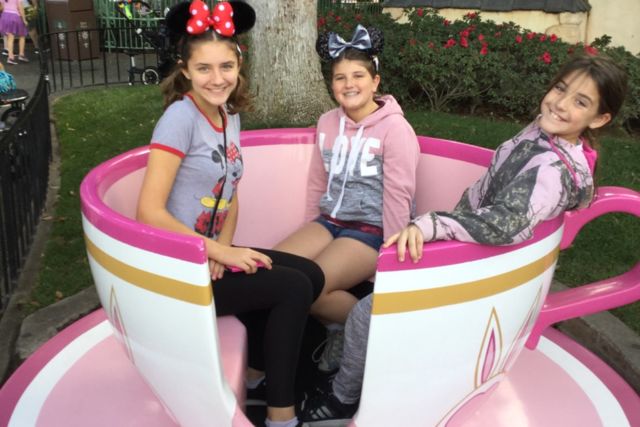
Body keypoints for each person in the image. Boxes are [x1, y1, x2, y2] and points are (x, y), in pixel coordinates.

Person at [299, 53, 628, 426]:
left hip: (479, 267)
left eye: (580, 102)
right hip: (473, 254)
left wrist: (433, 225)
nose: (561, 104)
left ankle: (342, 398)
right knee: (367, 308)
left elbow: (506, 223)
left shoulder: (551, 171)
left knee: (366, 314)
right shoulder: (543, 133)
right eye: (560, 89)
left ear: (599, 119)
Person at [135, 2, 324, 427]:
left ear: (239, 64)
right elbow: (148, 211)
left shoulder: (227, 115)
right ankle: (280, 415)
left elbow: (230, 192)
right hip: (177, 270)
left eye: (225, 66)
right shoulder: (179, 119)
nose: (217, 78)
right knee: (293, 288)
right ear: (185, 70)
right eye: (204, 68)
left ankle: (255, 373)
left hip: (207, 256)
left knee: (311, 274)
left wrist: (223, 249)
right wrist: (215, 252)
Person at [274, 24, 420, 374]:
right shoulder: (327, 122)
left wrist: (391, 259)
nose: (349, 84)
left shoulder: (395, 129)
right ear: (332, 84)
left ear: (375, 81)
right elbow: (317, 181)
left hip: (370, 230)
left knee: (310, 288)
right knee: (275, 272)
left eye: (358, 76)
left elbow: (399, 194)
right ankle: (315, 334)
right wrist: (310, 228)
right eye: (340, 77)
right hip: (329, 222)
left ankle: (356, 331)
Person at [0, 0, 29, 64]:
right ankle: (21, 55)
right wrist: (24, 20)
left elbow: (1, 8)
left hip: (5, 16)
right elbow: (20, 8)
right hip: (15, 16)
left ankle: (10, 57)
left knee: (10, 38)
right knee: (22, 35)